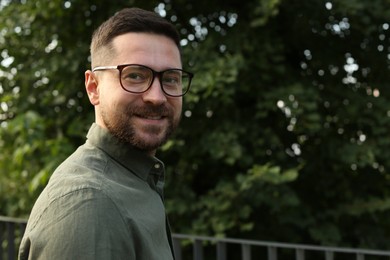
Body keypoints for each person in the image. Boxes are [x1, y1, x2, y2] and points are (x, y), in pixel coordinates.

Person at [18, 7, 193, 260]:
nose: (156, 96)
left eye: (170, 78)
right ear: (93, 88)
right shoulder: (89, 205)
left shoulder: (135, 179)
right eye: (134, 75)